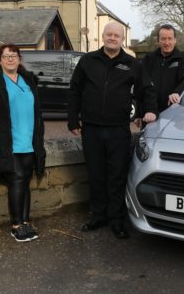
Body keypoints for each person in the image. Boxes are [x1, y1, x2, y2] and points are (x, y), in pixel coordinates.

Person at [68, 22, 158, 239]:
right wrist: (73, 119)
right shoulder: (87, 61)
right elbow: (75, 90)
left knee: (117, 175)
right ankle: (98, 215)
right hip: (91, 128)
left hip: (118, 129)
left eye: (116, 35)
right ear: (103, 36)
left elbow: (147, 90)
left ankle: (116, 219)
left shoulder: (132, 64)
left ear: (122, 39)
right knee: (96, 173)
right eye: (109, 34)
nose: (112, 38)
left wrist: (150, 111)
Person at [0, 44, 46, 243]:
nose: (10, 59)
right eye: (6, 56)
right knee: (17, 178)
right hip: (6, 142)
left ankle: (26, 221)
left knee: (25, 180)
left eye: (14, 56)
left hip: (28, 141)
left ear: (19, 59)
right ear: (0, 60)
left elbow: (37, 111)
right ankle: (16, 225)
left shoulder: (28, 80)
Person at [142, 24, 184, 113]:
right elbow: (142, 86)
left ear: (175, 40)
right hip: (150, 114)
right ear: (158, 41)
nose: (167, 43)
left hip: (174, 113)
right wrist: (139, 114)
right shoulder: (148, 59)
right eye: (163, 39)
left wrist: (177, 92)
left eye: (170, 38)